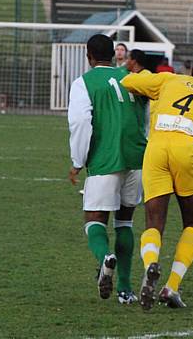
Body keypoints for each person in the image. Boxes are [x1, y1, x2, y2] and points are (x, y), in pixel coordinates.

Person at [121, 54, 193, 310]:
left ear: (191, 70)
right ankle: (171, 287)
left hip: (156, 148)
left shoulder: (169, 80)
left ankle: (150, 263)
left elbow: (129, 82)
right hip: (187, 149)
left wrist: (146, 83)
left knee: (154, 222)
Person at [68, 34, 148, 305]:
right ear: (114, 54)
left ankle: (105, 259)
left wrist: (78, 160)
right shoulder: (130, 78)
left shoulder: (84, 83)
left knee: (94, 220)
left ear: (89, 56)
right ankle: (126, 290)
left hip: (106, 159)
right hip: (137, 157)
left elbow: (81, 123)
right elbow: (144, 118)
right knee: (125, 221)